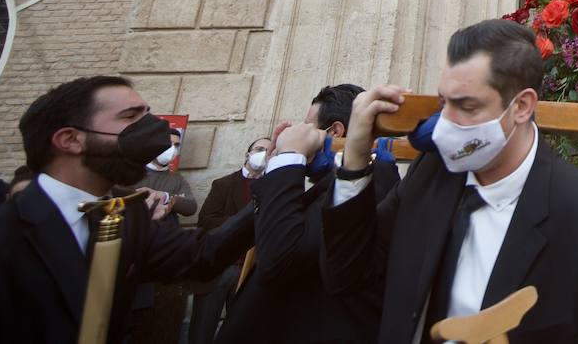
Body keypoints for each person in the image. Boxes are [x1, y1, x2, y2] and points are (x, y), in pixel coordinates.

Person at [322, 20, 578, 343]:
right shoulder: (430, 173)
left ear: (521, 106)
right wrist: (355, 157)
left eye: (467, 107)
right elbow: (348, 275)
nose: (446, 123)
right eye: (443, 103)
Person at [0, 75, 253, 343]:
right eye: (130, 116)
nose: (152, 127)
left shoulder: (127, 213)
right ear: (70, 139)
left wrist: (276, 174)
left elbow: (202, 255)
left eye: (147, 113)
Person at [218, 83, 396, 344]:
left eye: (307, 126)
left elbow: (281, 257)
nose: (298, 133)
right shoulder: (331, 184)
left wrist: (290, 157)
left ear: (334, 131)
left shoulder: (367, 182)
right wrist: (277, 169)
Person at [188, 136, 272, 344]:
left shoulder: (272, 190)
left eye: (269, 151)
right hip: (220, 268)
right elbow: (206, 220)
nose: (263, 154)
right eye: (259, 149)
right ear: (248, 154)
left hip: (251, 270)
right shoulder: (223, 184)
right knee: (202, 330)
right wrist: (241, 224)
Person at [127, 123, 198, 344]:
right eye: (168, 144)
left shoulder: (176, 179)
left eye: (176, 145)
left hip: (163, 253)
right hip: (132, 250)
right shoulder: (131, 173)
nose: (172, 150)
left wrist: (165, 197)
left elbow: (190, 206)